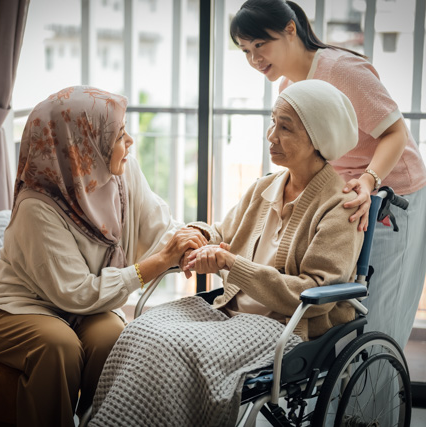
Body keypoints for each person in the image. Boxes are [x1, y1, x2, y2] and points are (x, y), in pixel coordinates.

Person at [89, 80, 364, 426]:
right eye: (272, 121)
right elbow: (223, 234)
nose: (271, 135)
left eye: (285, 127)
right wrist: (198, 234)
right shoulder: (267, 186)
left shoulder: (340, 208)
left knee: (176, 349)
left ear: (318, 139)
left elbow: (314, 294)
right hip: (228, 310)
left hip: (283, 329)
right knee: (140, 330)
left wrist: (231, 264)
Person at [0, 86, 207, 427]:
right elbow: (75, 292)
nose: (131, 141)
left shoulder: (123, 173)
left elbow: (160, 228)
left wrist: (195, 246)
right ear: (83, 145)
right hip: (13, 305)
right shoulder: (37, 205)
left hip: (76, 307)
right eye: (120, 135)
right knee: (58, 348)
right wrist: (157, 262)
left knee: (113, 338)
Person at [230, 0, 426, 349]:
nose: (254, 59)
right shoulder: (287, 88)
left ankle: (375, 399)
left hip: (392, 192)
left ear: (290, 29)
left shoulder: (343, 70)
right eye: (246, 50)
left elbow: (395, 133)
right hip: (346, 195)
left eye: (260, 45)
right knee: (339, 308)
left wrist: (369, 182)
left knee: (376, 313)